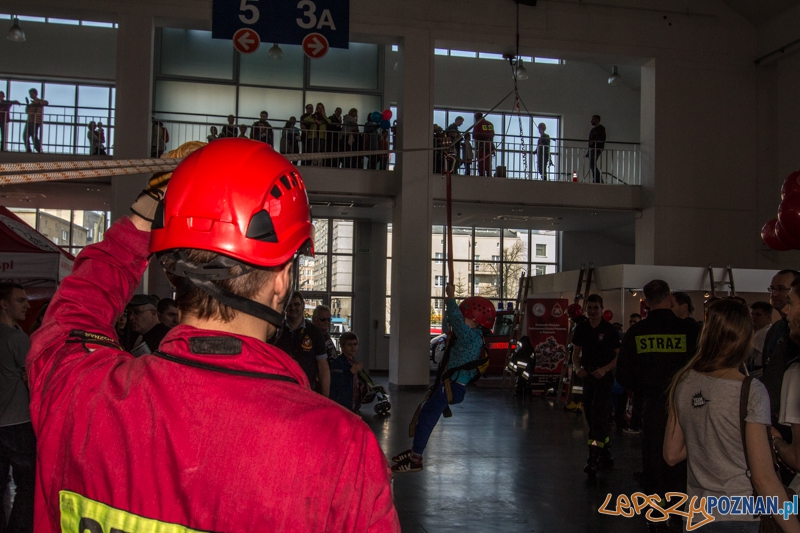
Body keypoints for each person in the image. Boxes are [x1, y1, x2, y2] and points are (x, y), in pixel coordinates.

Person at [27, 138, 399, 532]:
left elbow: (73, 315)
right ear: (282, 280)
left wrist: (145, 216)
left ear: (171, 269)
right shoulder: (343, 452)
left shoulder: (78, 392)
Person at [664, 299, 800, 533]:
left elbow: (671, 454)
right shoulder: (750, 390)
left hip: (697, 517)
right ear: (746, 337)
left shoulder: (684, 381)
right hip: (740, 516)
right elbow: (763, 479)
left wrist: (711, 433)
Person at [616, 280, 699, 525]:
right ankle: (679, 513)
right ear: (670, 297)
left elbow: (622, 375)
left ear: (645, 302)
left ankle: (656, 514)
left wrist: (644, 388)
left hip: (651, 406)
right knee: (682, 460)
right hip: (685, 406)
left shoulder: (637, 332)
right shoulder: (689, 330)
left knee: (654, 460)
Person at [391, 283, 495, 473]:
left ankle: (416, 458)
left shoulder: (470, 337)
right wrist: (449, 303)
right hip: (449, 385)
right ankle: (415, 451)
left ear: (475, 321)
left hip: (451, 386)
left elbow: (455, 320)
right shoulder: (471, 336)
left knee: (427, 418)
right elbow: (452, 322)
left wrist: (451, 297)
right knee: (426, 414)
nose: (461, 320)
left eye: (465, 318)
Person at [571, 293, 621, 475]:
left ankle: (593, 457)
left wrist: (605, 369)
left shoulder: (609, 329)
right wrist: (578, 368)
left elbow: (619, 355)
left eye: (596, 308)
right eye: (590, 308)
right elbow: (575, 354)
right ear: (586, 309)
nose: (593, 311)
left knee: (599, 418)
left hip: (604, 378)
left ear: (602, 309)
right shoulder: (581, 328)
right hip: (588, 377)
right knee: (591, 418)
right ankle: (606, 449)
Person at [0, 282, 35, 533]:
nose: (27, 306)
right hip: (17, 423)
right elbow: (33, 378)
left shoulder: (15, 335)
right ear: (3, 304)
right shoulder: (16, 339)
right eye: (20, 300)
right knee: (28, 483)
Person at [760, 269, 800, 483]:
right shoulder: (776, 330)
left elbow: (797, 458)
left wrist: (776, 442)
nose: (775, 294)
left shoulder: (796, 372)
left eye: (782, 290)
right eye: (772, 289)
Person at [273, 291, 330, 397]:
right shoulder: (276, 330)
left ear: (303, 306)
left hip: (308, 387)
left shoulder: (315, 332)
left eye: (296, 304)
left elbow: (323, 366)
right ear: (285, 307)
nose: (293, 308)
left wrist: (326, 396)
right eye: (289, 305)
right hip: (282, 387)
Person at [329, 332, 364, 412]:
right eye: (349, 345)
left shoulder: (354, 361)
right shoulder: (337, 363)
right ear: (342, 346)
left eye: (355, 344)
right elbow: (336, 382)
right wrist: (350, 372)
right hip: (342, 402)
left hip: (353, 401)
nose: (353, 347)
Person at [749, 301, 774, 372]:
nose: (753, 317)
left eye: (758, 315)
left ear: (768, 317)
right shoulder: (770, 329)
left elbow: (747, 354)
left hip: (760, 370)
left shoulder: (763, 333)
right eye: (752, 314)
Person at [24, 88, 48, 154]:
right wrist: (28, 105)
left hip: (35, 121)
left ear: (35, 94)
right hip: (29, 121)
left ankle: (38, 149)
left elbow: (46, 103)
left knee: (34, 135)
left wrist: (37, 103)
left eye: (32, 94)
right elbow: (27, 112)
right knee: (25, 135)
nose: (31, 96)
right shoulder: (31, 103)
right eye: (30, 94)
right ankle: (28, 149)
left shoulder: (39, 101)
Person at [472, 112, 495, 177]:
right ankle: (489, 174)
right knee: (488, 162)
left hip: (482, 145)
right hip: (489, 145)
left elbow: (474, 136)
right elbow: (492, 134)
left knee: (481, 162)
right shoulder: (489, 123)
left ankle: (482, 175)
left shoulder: (478, 124)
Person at [587, 114, 606, 183]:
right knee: (592, 165)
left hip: (597, 149)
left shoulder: (601, 129)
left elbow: (602, 139)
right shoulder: (593, 130)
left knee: (592, 165)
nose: (591, 121)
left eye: (593, 119)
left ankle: (598, 179)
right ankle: (596, 179)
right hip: (592, 149)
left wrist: (599, 147)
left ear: (597, 120)